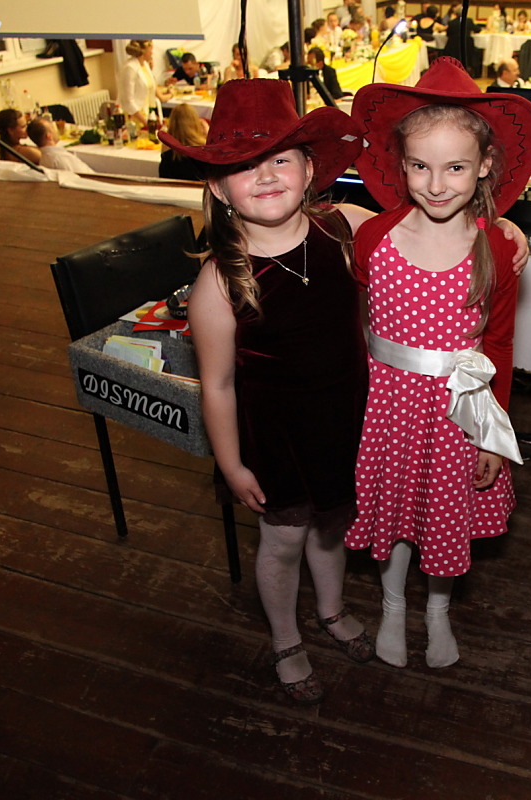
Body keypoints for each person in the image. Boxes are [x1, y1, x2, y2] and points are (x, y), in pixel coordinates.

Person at [158, 79, 376, 705]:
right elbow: (218, 384)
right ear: (218, 188)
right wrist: (231, 464)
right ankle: (284, 636)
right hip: (276, 437)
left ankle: (331, 609)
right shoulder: (219, 281)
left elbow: (425, 232)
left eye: (280, 158)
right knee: (283, 541)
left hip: (345, 420)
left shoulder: (346, 227)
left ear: (309, 168)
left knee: (333, 524)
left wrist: (502, 230)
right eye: (243, 165)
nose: (266, 175)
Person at [346, 58, 531, 669]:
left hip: (457, 413)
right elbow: (357, 327)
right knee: (394, 513)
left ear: (484, 165)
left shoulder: (497, 246)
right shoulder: (374, 239)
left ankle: (437, 610)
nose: (435, 184)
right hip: (388, 409)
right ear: (400, 164)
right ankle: (392, 606)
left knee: (442, 515)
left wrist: (492, 436)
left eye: (455, 167)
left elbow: (498, 346)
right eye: (420, 166)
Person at [118, 40, 172, 126]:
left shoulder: (144, 65)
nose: (152, 53)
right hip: (134, 117)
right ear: (144, 51)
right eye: (150, 50)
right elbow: (128, 101)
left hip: (145, 113)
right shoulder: (130, 68)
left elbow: (149, 91)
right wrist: (145, 122)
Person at [26, 118, 94, 173]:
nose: (56, 130)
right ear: (49, 136)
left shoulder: (44, 159)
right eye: (53, 128)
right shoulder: (60, 158)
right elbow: (87, 177)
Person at [159, 103, 207, 181]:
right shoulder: (204, 152)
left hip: (171, 188)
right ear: (195, 123)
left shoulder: (167, 153)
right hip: (197, 188)